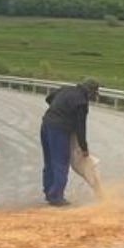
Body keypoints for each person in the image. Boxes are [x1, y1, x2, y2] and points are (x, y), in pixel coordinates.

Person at [40, 77, 100, 206]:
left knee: (49, 161)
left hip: (46, 124)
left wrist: (58, 110)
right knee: (61, 163)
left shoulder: (65, 89)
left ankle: (49, 192)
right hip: (59, 130)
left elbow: (48, 98)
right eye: (94, 93)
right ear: (89, 91)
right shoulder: (81, 102)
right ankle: (56, 197)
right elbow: (80, 127)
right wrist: (84, 148)